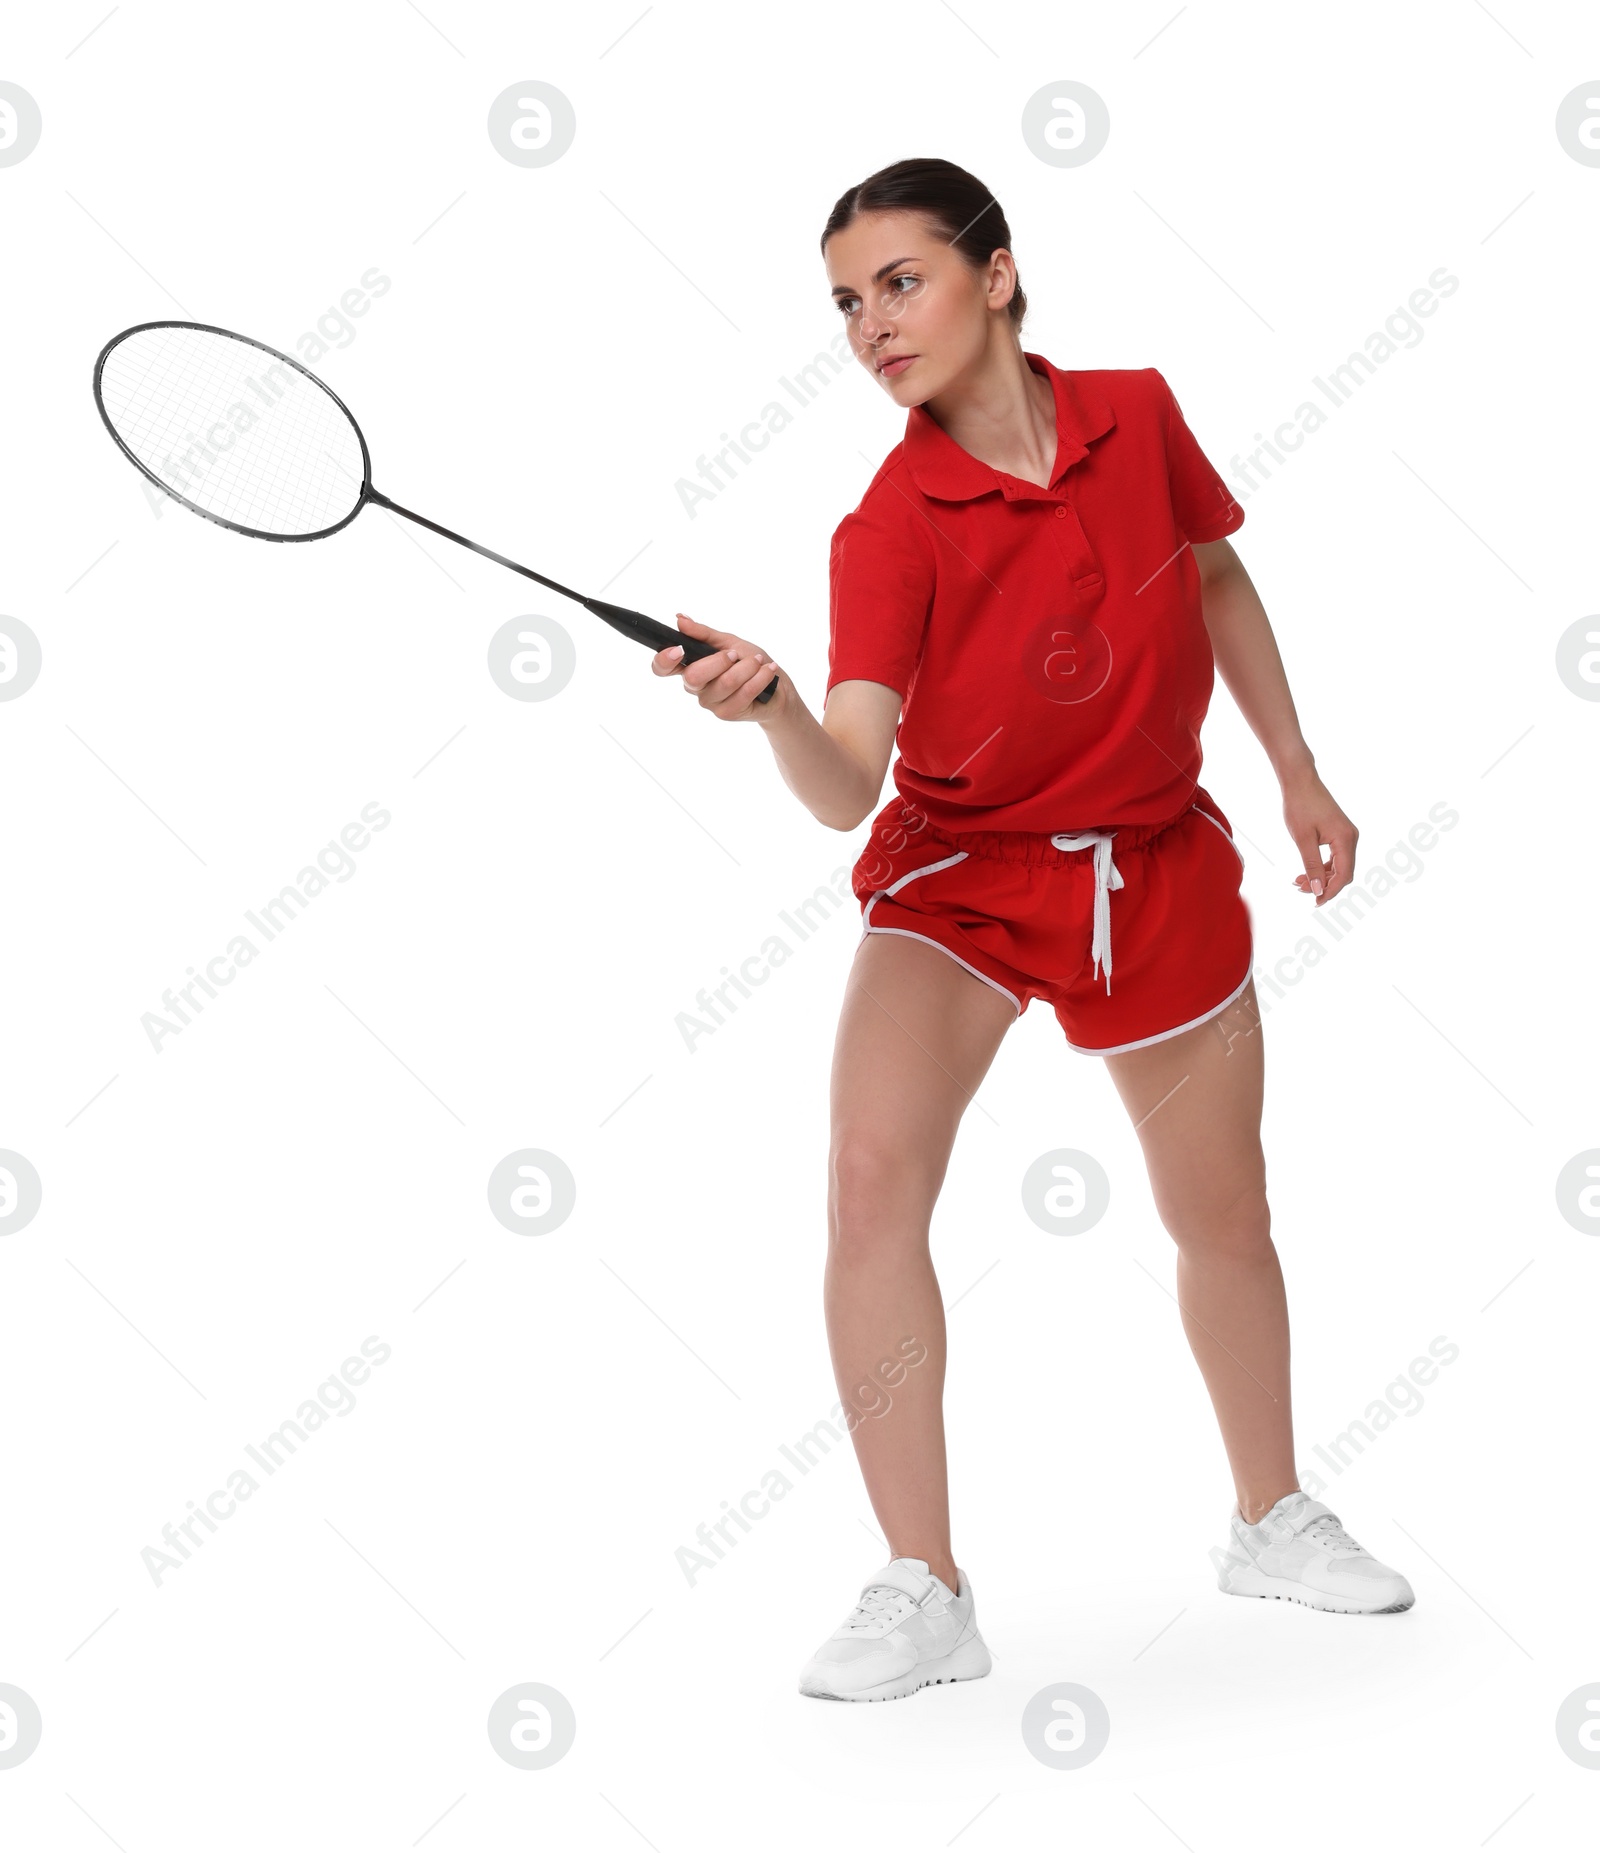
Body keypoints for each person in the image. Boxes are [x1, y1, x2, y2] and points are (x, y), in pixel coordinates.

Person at [653, 156, 1414, 1705]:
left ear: (996, 275)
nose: (871, 324)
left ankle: (1270, 1515)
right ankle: (921, 1583)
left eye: (900, 281)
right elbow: (844, 785)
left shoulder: (1136, 411)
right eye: (847, 304)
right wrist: (777, 705)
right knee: (869, 1179)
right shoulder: (888, 527)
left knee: (1226, 1212)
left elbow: (1214, 573)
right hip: (966, 876)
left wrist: (1299, 768)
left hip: (1155, 863)